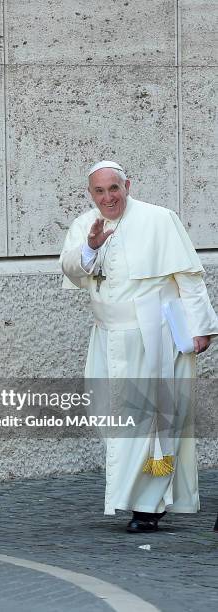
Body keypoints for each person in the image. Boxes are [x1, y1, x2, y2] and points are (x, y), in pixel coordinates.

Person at [60, 160, 218, 533]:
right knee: (107, 415)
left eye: (114, 188)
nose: (108, 197)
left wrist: (202, 329)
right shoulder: (85, 225)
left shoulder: (160, 219)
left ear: (127, 185)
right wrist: (91, 248)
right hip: (107, 336)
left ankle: (147, 506)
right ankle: (135, 495)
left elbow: (189, 278)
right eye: (99, 191)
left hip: (155, 337)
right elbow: (69, 268)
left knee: (154, 420)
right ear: (91, 194)